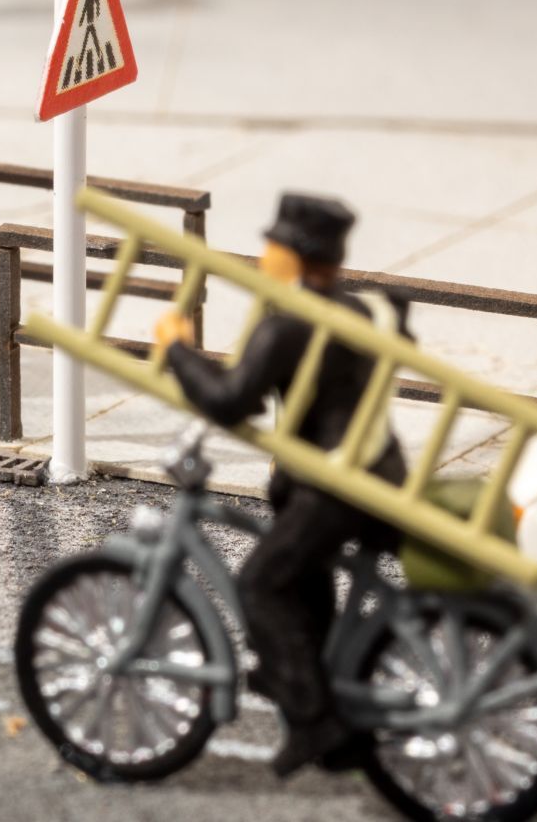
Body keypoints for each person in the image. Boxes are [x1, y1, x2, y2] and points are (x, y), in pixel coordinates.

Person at [153, 193, 408, 777]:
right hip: (377, 467)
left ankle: (316, 723)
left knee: (261, 584)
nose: (264, 253)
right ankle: (306, 673)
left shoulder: (289, 325)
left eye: (272, 244)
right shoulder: (364, 308)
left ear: (294, 255)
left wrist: (176, 348)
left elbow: (229, 400)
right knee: (300, 574)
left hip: (334, 486)